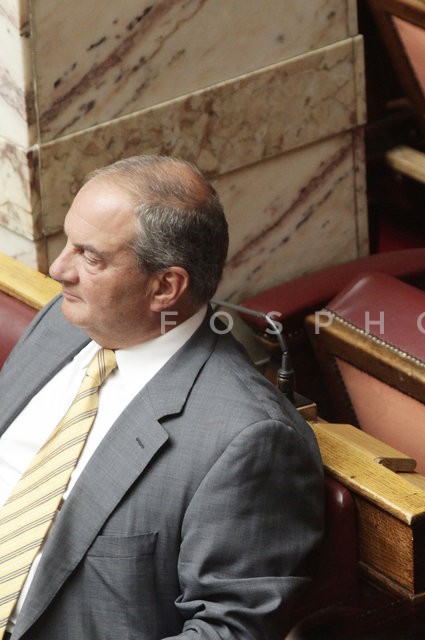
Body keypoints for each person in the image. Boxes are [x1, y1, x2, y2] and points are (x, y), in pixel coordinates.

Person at [0, 156, 325, 638]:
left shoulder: (248, 439)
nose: (57, 268)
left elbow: (229, 629)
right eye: (68, 242)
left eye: (91, 257)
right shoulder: (62, 323)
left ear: (165, 287)